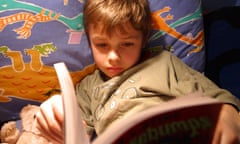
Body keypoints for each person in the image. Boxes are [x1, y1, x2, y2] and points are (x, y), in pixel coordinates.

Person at [34, 0, 240, 143]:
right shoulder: (88, 87)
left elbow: (222, 99)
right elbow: (78, 131)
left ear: (143, 39)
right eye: (102, 45)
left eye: (127, 44)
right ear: (89, 40)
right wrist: (54, 115)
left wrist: (228, 116)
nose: (113, 56)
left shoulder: (164, 64)